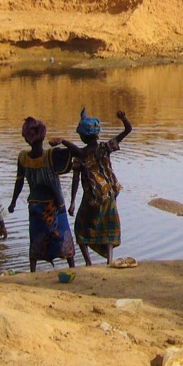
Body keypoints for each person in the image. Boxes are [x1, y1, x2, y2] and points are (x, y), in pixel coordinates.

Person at [64, 108, 132, 267]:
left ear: (82, 136)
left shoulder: (80, 155)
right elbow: (128, 130)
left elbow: (75, 179)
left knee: (81, 227)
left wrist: (73, 202)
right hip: (108, 194)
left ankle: (88, 262)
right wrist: (123, 118)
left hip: (91, 196)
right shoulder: (104, 148)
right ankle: (109, 260)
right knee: (109, 227)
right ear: (97, 134)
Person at [8, 117, 77, 272]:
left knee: (37, 239)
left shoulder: (23, 158)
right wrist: (63, 141)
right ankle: (72, 267)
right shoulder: (51, 156)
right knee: (63, 236)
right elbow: (77, 152)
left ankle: (33, 271)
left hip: (35, 206)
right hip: (54, 205)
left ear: (26, 138)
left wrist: (13, 202)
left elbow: (19, 182)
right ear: (43, 136)